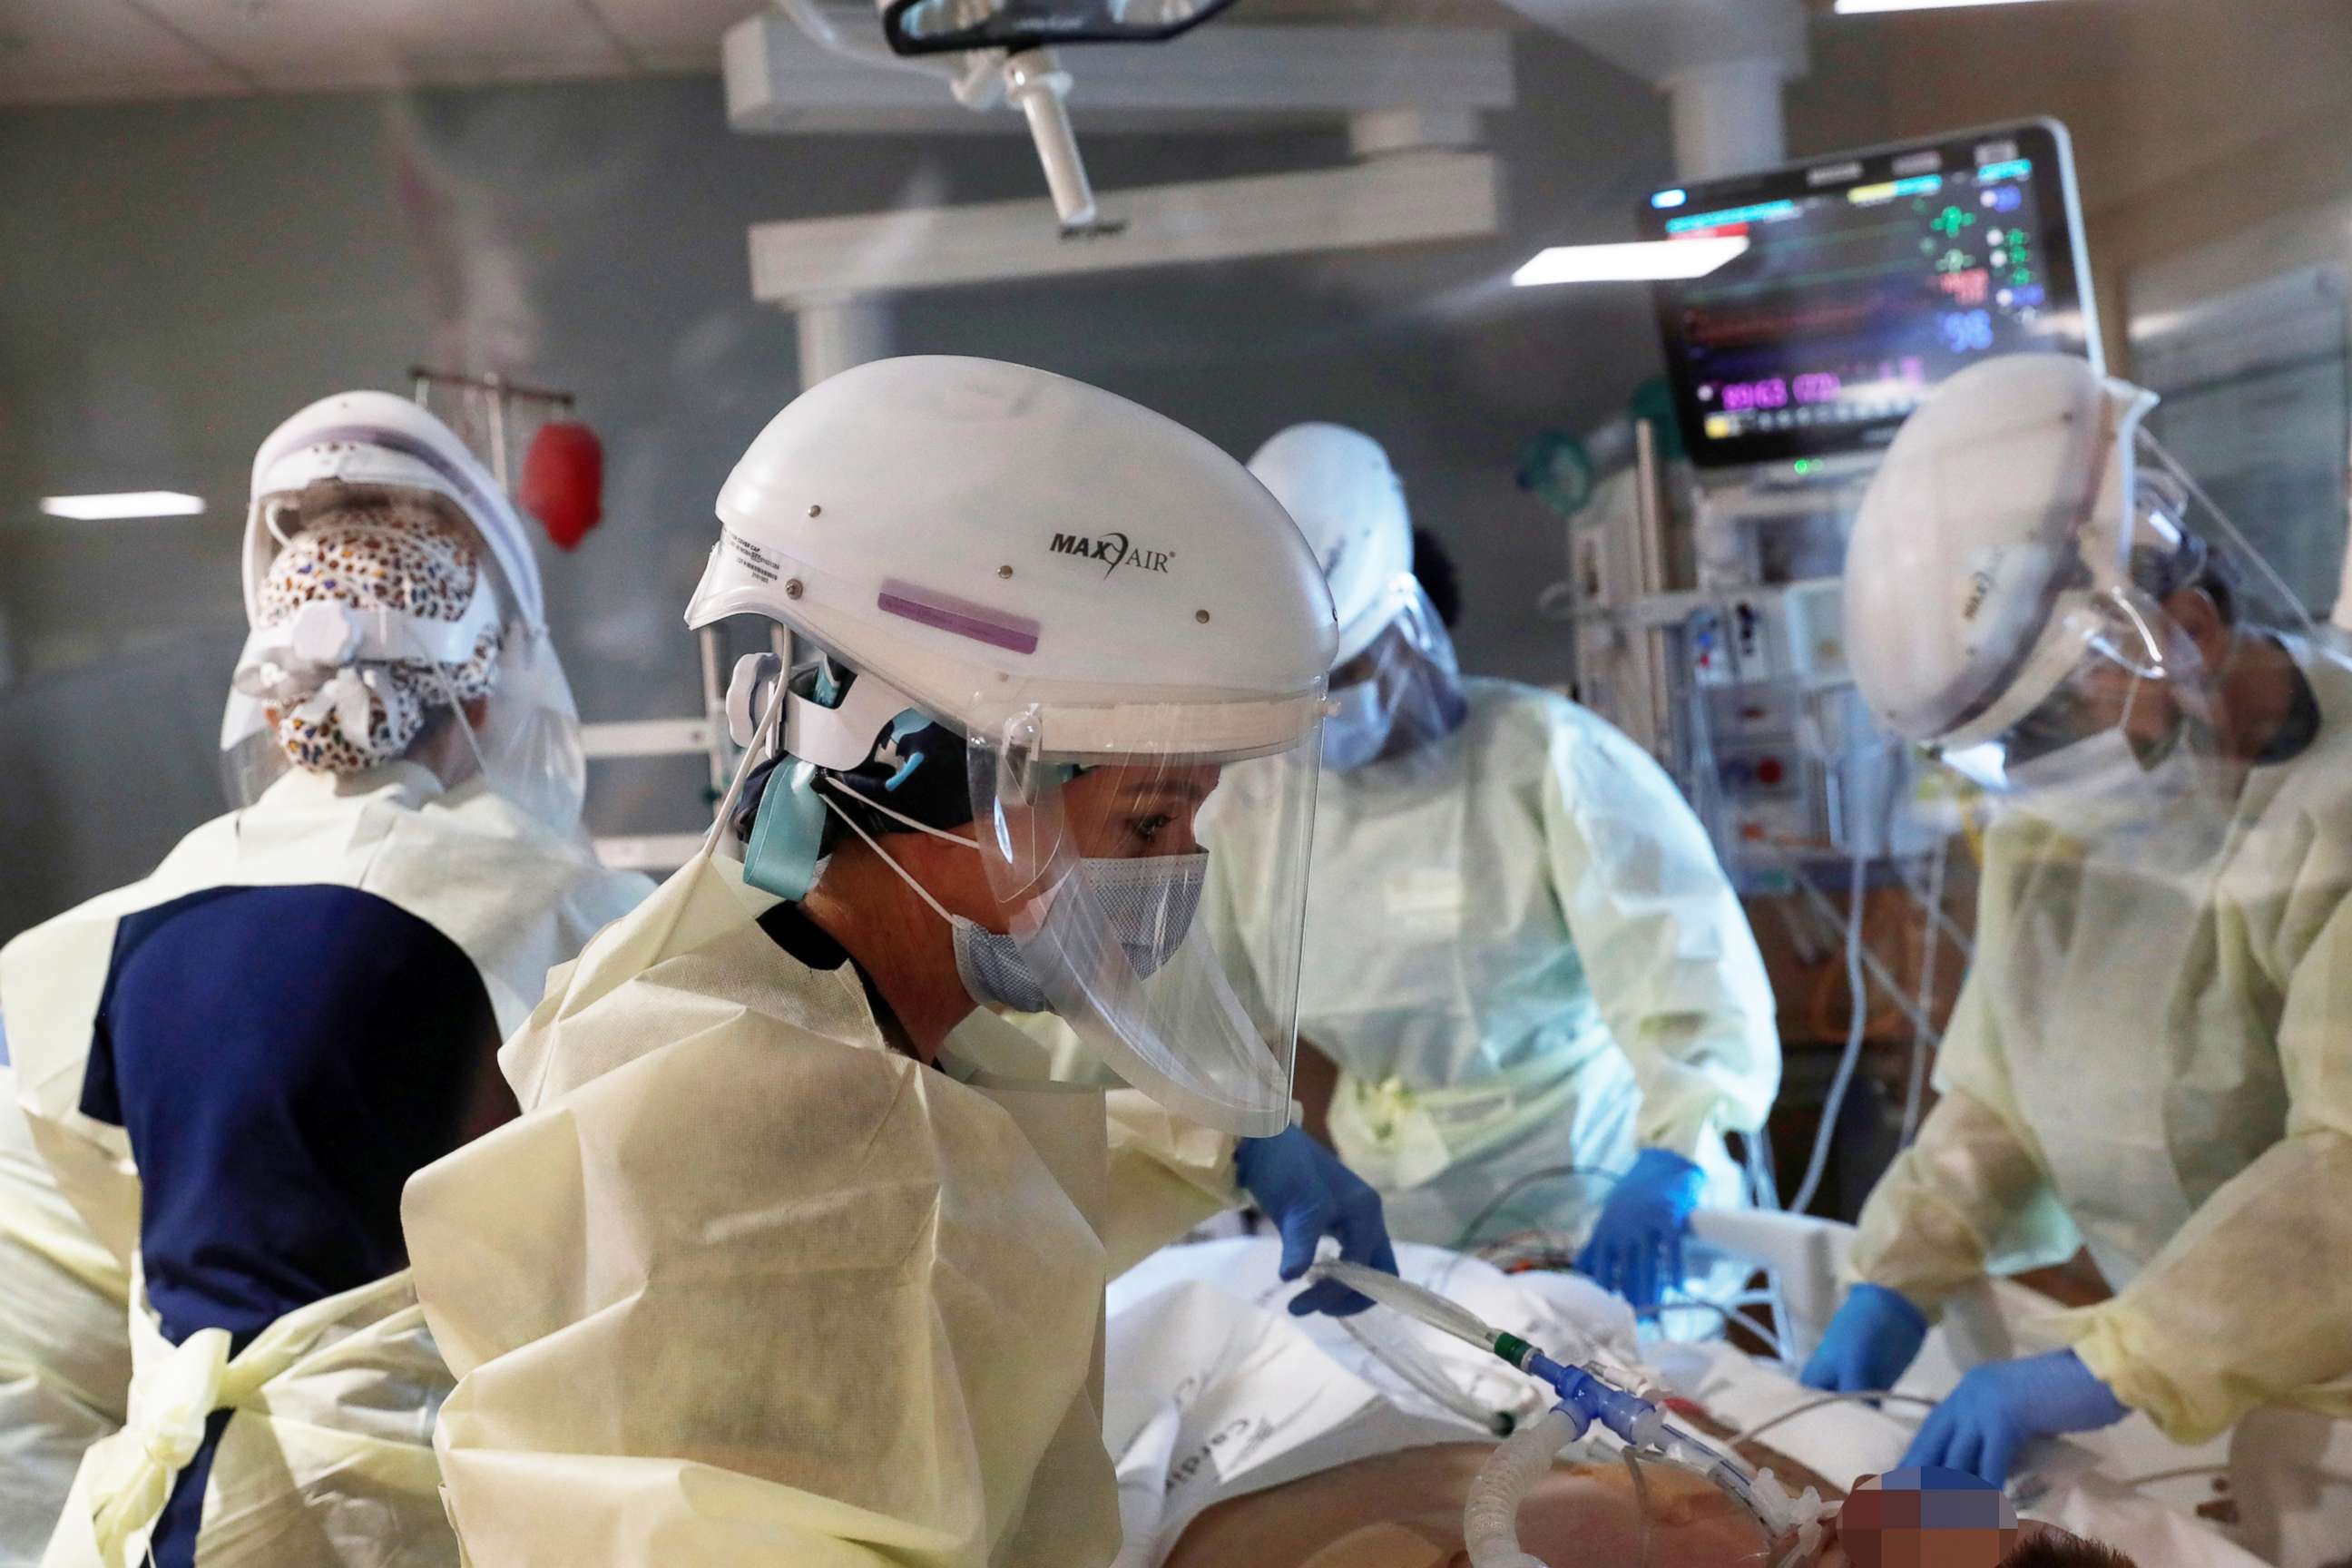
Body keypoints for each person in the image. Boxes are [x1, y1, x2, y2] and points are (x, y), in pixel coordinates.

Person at [397, 356, 1397, 1568]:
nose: (1177, 869)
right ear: (976, 788)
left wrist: (1229, 1140)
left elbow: (992, 1170)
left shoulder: (838, 1009)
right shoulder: (759, 1127)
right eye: (1147, 821)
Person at [0, 391, 650, 1568]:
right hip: (406, 1520)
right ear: (485, 683)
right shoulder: (551, 912)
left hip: (163, 1519)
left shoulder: (123, 933)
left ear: (282, 703)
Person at [1801, 354, 2352, 1520]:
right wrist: (1897, 1272)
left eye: (2061, 717)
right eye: (2012, 742)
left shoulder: (2336, 814)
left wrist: (2109, 1364)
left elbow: (2344, 1172)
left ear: (2187, 624)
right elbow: (2003, 1089)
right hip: (2178, 1397)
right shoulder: (2068, 822)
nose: (2047, 771)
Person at [1201, 422, 1780, 1309]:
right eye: (1303, 689)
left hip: (1594, 1201)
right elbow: (1201, 1015)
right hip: (1397, 1220)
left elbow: (1690, 974)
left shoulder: (1548, 759)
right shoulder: (1255, 809)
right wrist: (1248, 1142)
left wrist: (1677, 1156)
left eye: (1349, 672)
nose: (1330, 711)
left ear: (1415, 621)